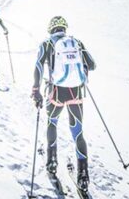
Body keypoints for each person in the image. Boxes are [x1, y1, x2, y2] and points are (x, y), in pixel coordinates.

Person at [31, 16, 96, 192]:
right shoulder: (76, 42)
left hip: (56, 93)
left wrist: (36, 90)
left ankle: (52, 162)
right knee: (78, 133)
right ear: (64, 28)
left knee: (52, 123)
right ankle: (83, 175)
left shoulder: (46, 43)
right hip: (76, 92)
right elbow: (92, 65)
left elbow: (38, 66)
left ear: (50, 28)